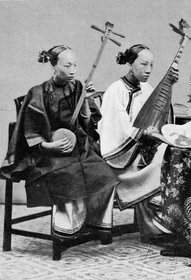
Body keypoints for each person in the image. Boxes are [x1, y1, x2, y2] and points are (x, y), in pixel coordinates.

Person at [1, 45, 118, 243]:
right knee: (69, 176)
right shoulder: (38, 93)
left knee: (105, 174)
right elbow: (30, 131)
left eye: (75, 65)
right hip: (47, 154)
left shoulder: (78, 88)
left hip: (77, 149)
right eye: (67, 65)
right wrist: (48, 146)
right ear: (54, 65)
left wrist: (86, 103)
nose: (73, 70)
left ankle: (94, 224)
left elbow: (87, 126)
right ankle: (66, 230)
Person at [97, 44, 177, 242]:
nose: (148, 70)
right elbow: (116, 127)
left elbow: (159, 114)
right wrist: (143, 134)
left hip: (141, 145)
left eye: (151, 64)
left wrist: (170, 86)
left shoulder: (147, 88)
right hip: (123, 152)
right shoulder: (116, 90)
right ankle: (155, 228)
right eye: (143, 64)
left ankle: (167, 221)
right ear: (130, 64)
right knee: (154, 165)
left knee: (171, 156)